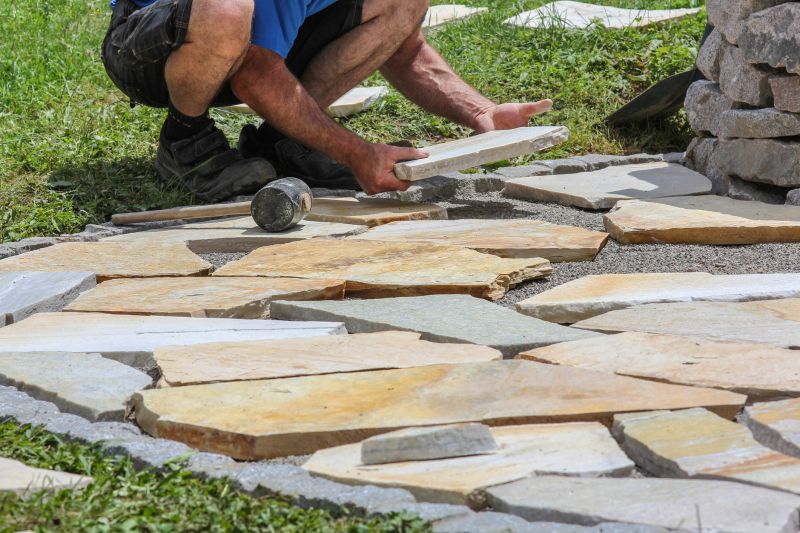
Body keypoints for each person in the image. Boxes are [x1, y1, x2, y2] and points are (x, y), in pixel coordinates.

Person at [102, 0, 552, 201]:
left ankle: (282, 141)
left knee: (401, 3)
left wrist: (481, 112)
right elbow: (254, 76)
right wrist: (357, 152)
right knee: (226, 9)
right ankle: (185, 141)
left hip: (237, 42)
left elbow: (401, 44)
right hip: (149, 48)